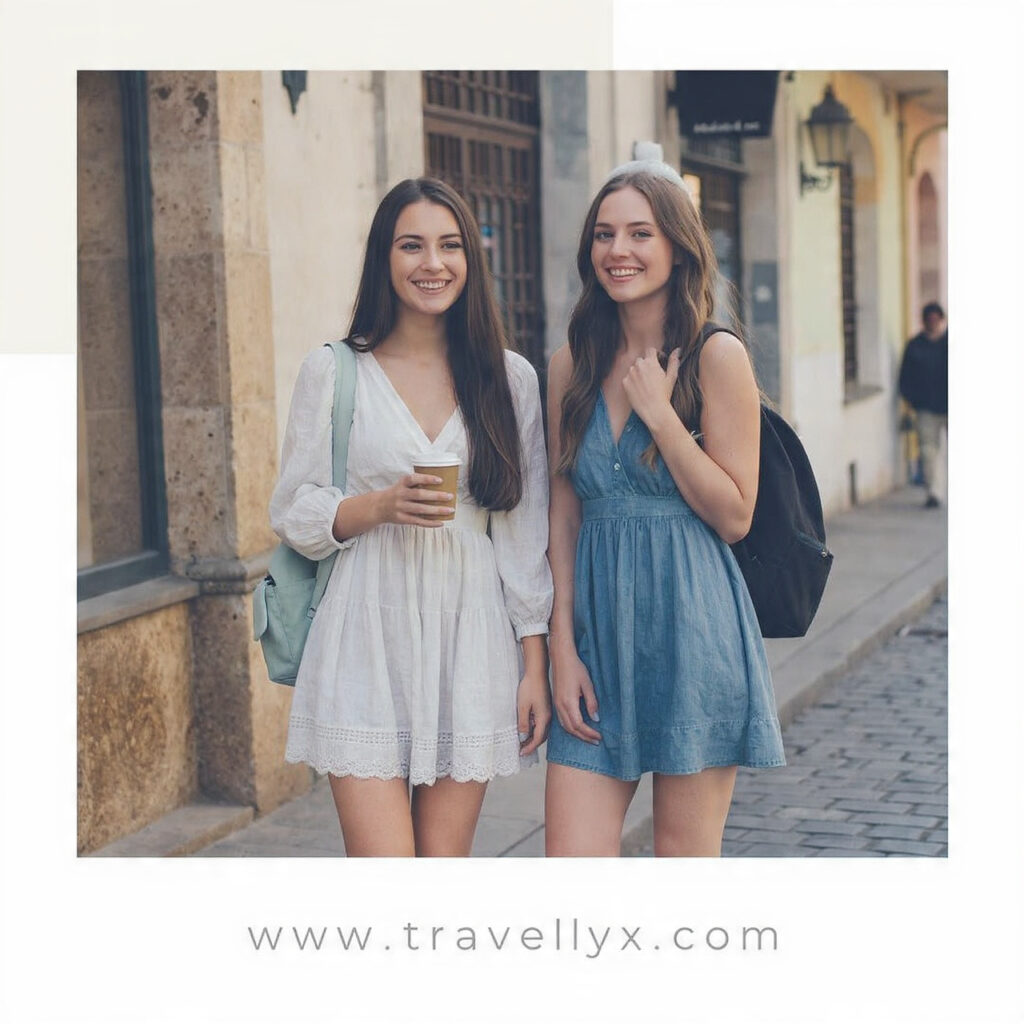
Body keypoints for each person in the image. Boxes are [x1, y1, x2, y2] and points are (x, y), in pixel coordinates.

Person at [270, 178, 553, 857]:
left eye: (450, 245)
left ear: (470, 258)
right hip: (363, 636)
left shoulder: (509, 379)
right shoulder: (334, 372)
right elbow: (293, 510)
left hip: (471, 645)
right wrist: (376, 507)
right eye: (412, 246)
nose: (433, 263)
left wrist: (533, 667)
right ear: (384, 259)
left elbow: (522, 537)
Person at [544, 157, 785, 857]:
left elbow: (735, 513)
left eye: (640, 233)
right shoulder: (570, 364)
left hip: (695, 633)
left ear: (677, 245)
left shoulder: (718, 356)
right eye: (604, 234)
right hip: (596, 635)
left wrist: (662, 417)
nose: (619, 251)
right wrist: (562, 647)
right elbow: (563, 513)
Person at [898, 302, 948, 508]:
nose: (933, 323)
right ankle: (934, 492)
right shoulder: (915, 345)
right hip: (925, 407)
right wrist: (912, 399)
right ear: (925, 321)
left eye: (936, 319)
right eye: (930, 319)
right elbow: (905, 375)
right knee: (928, 451)